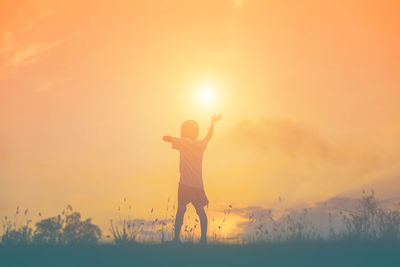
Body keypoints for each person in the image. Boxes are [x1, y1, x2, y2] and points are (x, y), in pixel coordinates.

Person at [163, 113, 222, 243]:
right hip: (197, 185)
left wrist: (170, 137)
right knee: (200, 212)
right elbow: (209, 136)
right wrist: (212, 122)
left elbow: (165, 138)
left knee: (181, 210)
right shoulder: (200, 145)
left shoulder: (182, 142)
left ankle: (176, 239)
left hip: (184, 184)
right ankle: (203, 240)